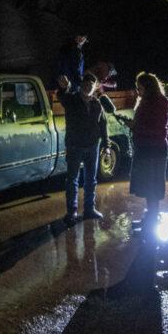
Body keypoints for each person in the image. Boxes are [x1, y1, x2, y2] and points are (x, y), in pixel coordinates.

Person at [56, 71, 111, 225]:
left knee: (90, 180)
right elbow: (61, 96)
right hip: (75, 146)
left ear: (95, 87)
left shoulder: (97, 103)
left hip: (93, 146)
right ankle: (71, 212)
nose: (88, 87)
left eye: (91, 85)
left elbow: (103, 125)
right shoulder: (71, 100)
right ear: (81, 85)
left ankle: (89, 209)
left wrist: (106, 145)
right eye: (85, 84)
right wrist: (64, 88)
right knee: (72, 180)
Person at [124, 72, 168, 234]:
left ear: (149, 88)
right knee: (148, 186)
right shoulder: (147, 101)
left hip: (153, 149)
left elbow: (156, 128)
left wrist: (134, 127)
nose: (137, 91)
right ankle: (149, 219)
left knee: (151, 186)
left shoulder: (157, 104)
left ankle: (150, 223)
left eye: (140, 88)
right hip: (148, 148)